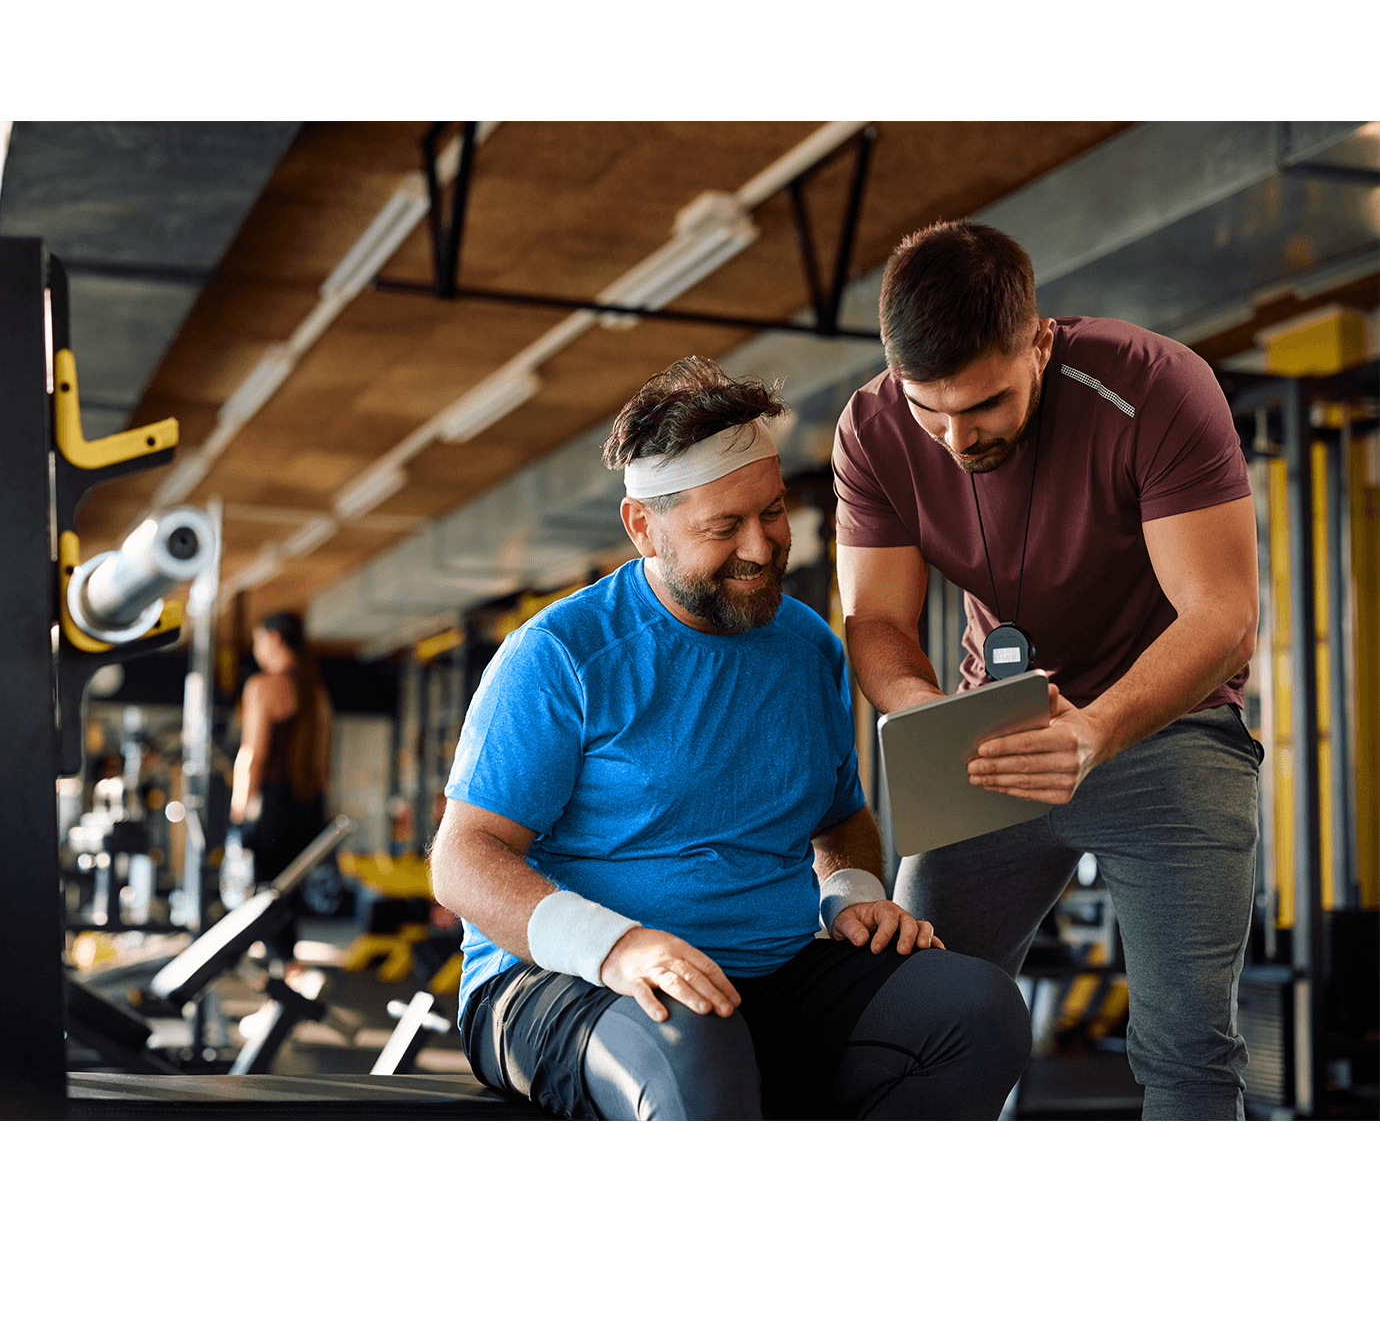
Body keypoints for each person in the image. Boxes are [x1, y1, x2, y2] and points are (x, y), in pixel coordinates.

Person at [430, 357, 1030, 1121]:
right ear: (643, 526)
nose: (760, 546)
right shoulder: (563, 655)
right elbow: (462, 858)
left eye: (772, 513)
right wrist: (618, 948)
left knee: (977, 1013)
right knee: (696, 1051)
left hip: (766, 973)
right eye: (724, 527)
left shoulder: (806, 647)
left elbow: (838, 818)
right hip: (566, 982)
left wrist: (850, 896)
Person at [833, 220, 1261, 1121]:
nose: (953, 438)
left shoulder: (1154, 386)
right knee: (918, 1024)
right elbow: (875, 616)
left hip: (1165, 726)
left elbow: (1221, 617)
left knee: (1188, 1051)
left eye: (983, 405)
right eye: (929, 408)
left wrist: (1096, 729)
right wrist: (925, 716)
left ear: (1038, 340)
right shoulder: (872, 430)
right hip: (994, 736)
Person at [230, 611, 333, 963]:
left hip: (271, 807)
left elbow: (252, 754)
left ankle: (285, 972)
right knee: (286, 896)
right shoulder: (317, 694)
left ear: (274, 639)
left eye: (259, 640)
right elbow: (323, 768)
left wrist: (239, 811)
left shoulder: (262, 686)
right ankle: (288, 970)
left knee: (265, 896)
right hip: (307, 808)